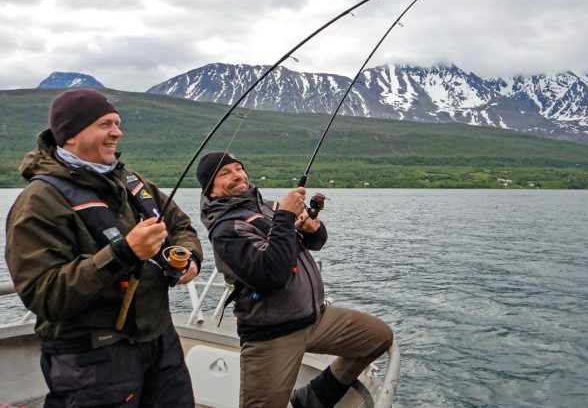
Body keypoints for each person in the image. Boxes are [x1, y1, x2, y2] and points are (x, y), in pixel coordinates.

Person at [5, 88, 202, 407]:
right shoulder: (38, 203)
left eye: (118, 123)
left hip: (160, 343)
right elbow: (44, 294)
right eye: (105, 124)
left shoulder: (135, 183)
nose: (117, 132)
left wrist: (189, 257)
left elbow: (181, 226)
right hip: (91, 360)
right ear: (70, 135)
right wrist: (123, 253)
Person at [197, 152, 393, 408]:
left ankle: (312, 399)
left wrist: (312, 229)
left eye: (238, 168)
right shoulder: (226, 229)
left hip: (315, 318)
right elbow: (271, 276)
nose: (237, 175)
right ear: (210, 189)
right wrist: (286, 218)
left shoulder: (267, 207)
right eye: (225, 173)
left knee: (377, 337)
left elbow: (316, 243)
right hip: (272, 334)